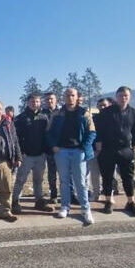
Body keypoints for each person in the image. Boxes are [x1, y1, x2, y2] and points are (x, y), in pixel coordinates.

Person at [46, 88, 96, 224]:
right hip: (61, 151)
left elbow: (92, 132)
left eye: (72, 95)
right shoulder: (57, 113)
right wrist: (53, 146)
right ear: (64, 97)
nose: (70, 97)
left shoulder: (84, 113)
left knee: (80, 182)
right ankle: (65, 207)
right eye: (67, 95)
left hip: (78, 152)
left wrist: (85, 148)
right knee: (64, 181)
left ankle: (86, 209)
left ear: (76, 97)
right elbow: (48, 132)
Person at [95, 86, 135, 216]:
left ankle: (131, 202)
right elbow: (99, 131)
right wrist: (99, 147)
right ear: (116, 97)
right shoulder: (106, 112)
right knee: (107, 177)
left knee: (128, 177)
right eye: (120, 95)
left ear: (129, 97)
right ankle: (109, 201)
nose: (123, 98)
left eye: (126, 95)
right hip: (107, 150)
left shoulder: (134, 112)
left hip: (126, 150)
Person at [11, 94, 54, 214]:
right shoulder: (20, 118)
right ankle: (14, 202)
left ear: (40, 103)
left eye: (37, 101)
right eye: (32, 101)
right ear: (28, 103)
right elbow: (16, 139)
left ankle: (39, 201)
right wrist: (19, 154)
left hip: (40, 155)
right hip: (26, 156)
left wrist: (46, 151)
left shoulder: (44, 117)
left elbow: (47, 135)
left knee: (38, 180)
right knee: (20, 180)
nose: (35, 103)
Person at [87, 98, 113, 202]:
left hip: (109, 150)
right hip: (94, 150)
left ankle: (109, 194)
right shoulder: (94, 118)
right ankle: (96, 193)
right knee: (94, 174)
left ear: (109, 105)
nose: (102, 107)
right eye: (100, 105)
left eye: (104, 105)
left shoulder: (114, 118)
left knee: (109, 175)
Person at [42, 92, 60, 203]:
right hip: (48, 149)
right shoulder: (41, 114)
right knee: (52, 174)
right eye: (47, 99)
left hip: (62, 148)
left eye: (52, 99)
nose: (49, 101)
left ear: (56, 100)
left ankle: (69, 194)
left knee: (66, 174)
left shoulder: (62, 112)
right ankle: (53, 194)